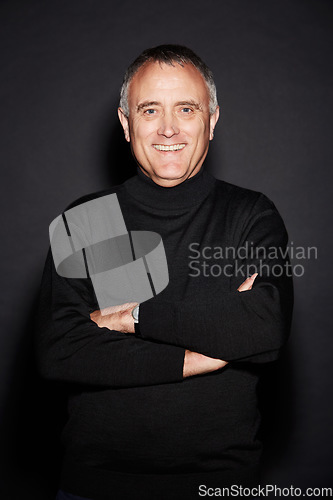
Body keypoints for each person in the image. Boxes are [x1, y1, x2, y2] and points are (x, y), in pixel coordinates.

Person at [35, 45, 293, 500]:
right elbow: (61, 350)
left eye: (186, 109)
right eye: (150, 109)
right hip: (94, 486)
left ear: (211, 120)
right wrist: (200, 355)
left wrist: (131, 318)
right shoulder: (89, 219)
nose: (168, 128)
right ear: (125, 122)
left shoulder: (250, 215)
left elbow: (263, 326)